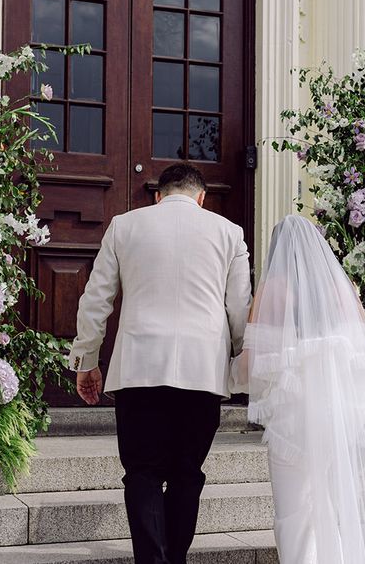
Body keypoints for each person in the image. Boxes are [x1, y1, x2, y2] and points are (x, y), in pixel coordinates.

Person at [69, 163, 252, 564]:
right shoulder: (229, 233)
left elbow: (96, 299)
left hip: (139, 368)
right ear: (201, 198)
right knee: (187, 472)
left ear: (158, 196)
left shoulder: (124, 225)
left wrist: (88, 360)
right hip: (202, 371)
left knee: (143, 471)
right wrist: (241, 357)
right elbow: (239, 308)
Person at [231, 215, 365, 563]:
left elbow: (250, 365)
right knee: (338, 507)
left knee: (294, 514)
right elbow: (362, 354)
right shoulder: (342, 288)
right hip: (342, 417)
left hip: (295, 424)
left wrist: (230, 374)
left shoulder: (274, 288)